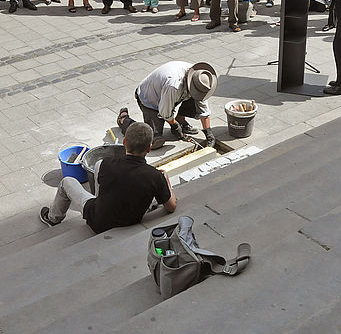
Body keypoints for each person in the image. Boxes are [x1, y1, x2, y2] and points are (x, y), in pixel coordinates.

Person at [40, 122, 176, 232]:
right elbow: (171, 207)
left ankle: (53, 219)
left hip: (98, 222)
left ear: (124, 143)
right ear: (149, 148)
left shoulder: (104, 164)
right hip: (130, 222)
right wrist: (166, 180)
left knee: (67, 182)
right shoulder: (155, 176)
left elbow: (100, 192)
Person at [117, 61, 218, 148]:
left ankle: (181, 121)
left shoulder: (199, 77)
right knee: (152, 140)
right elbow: (164, 112)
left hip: (169, 94)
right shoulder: (174, 85)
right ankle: (124, 120)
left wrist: (208, 133)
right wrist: (174, 125)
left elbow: (203, 108)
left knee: (195, 98)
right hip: (150, 100)